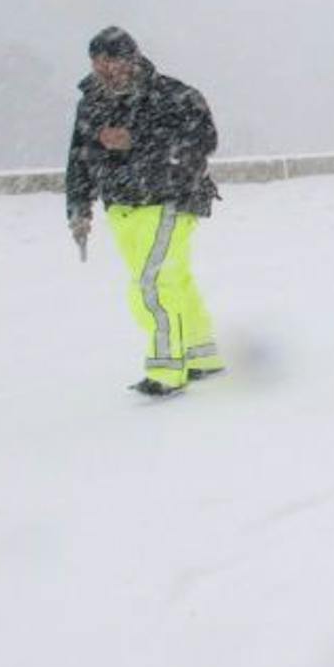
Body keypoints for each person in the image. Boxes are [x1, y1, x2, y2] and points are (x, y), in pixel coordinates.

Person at [64, 27, 224, 396]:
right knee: (173, 279)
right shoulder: (91, 101)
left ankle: (166, 370)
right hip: (121, 205)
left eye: (112, 61)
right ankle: (201, 354)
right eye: (98, 62)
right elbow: (78, 157)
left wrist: (136, 141)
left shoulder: (172, 95)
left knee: (152, 285)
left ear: (132, 59)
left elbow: (203, 140)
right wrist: (78, 205)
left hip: (169, 198)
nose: (104, 70)